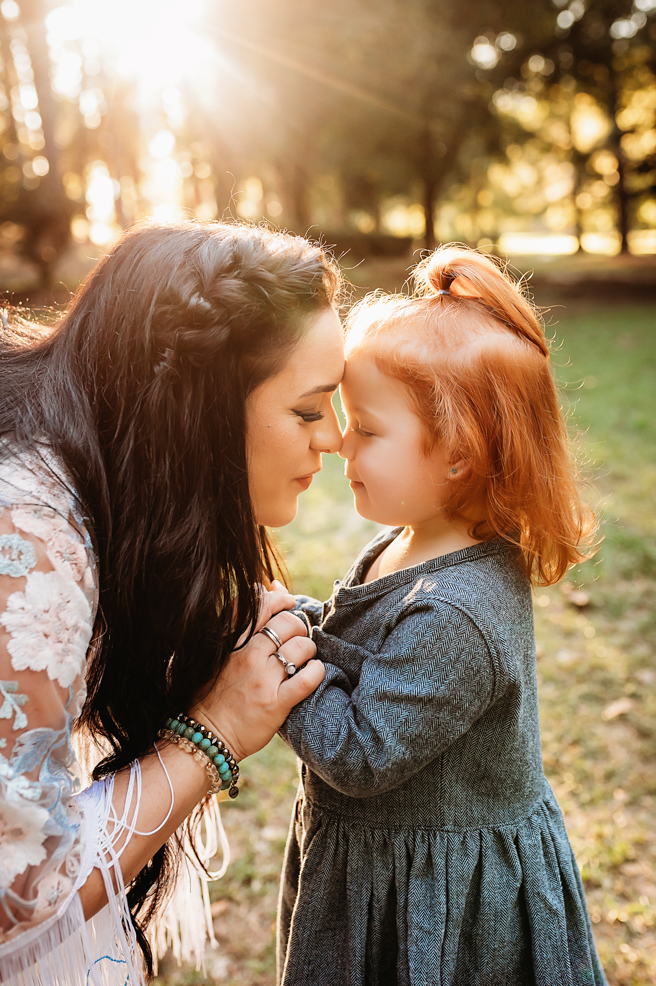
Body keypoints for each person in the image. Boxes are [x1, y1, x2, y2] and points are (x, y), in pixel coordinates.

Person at [0, 221, 346, 986]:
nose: (336, 439)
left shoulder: (69, 456)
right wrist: (213, 731)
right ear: (200, 408)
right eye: (308, 409)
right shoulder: (32, 544)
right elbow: (17, 897)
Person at [277, 246, 605, 986]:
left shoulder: (459, 612)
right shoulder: (399, 546)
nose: (338, 444)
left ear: (456, 453)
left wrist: (272, 662)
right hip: (378, 861)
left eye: (365, 428)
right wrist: (294, 620)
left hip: (442, 900)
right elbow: (346, 650)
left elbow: (362, 751)